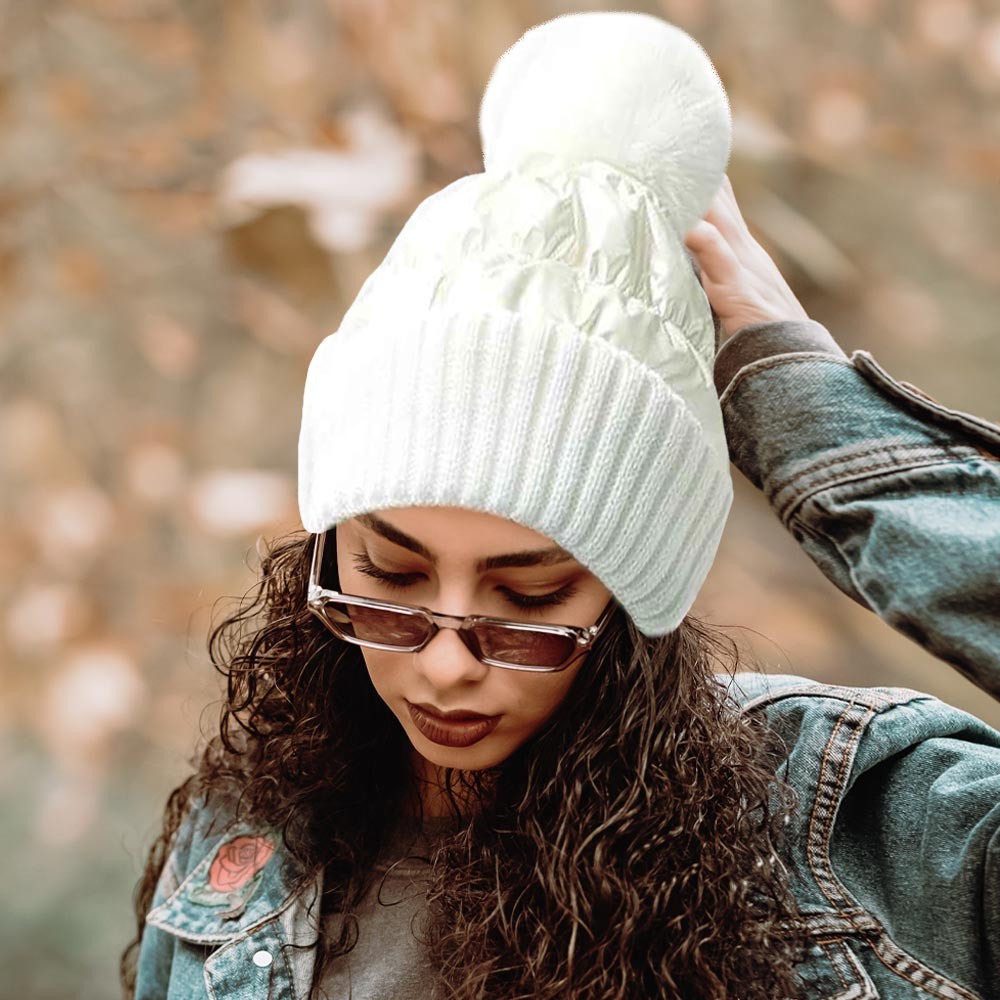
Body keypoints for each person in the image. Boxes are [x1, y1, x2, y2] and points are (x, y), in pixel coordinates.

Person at [120, 12, 1000, 1000]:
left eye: (529, 598)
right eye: (390, 576)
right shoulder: (246, 843)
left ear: (630, 596)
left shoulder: (848, 821)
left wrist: (809, 417)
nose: (445, 664)